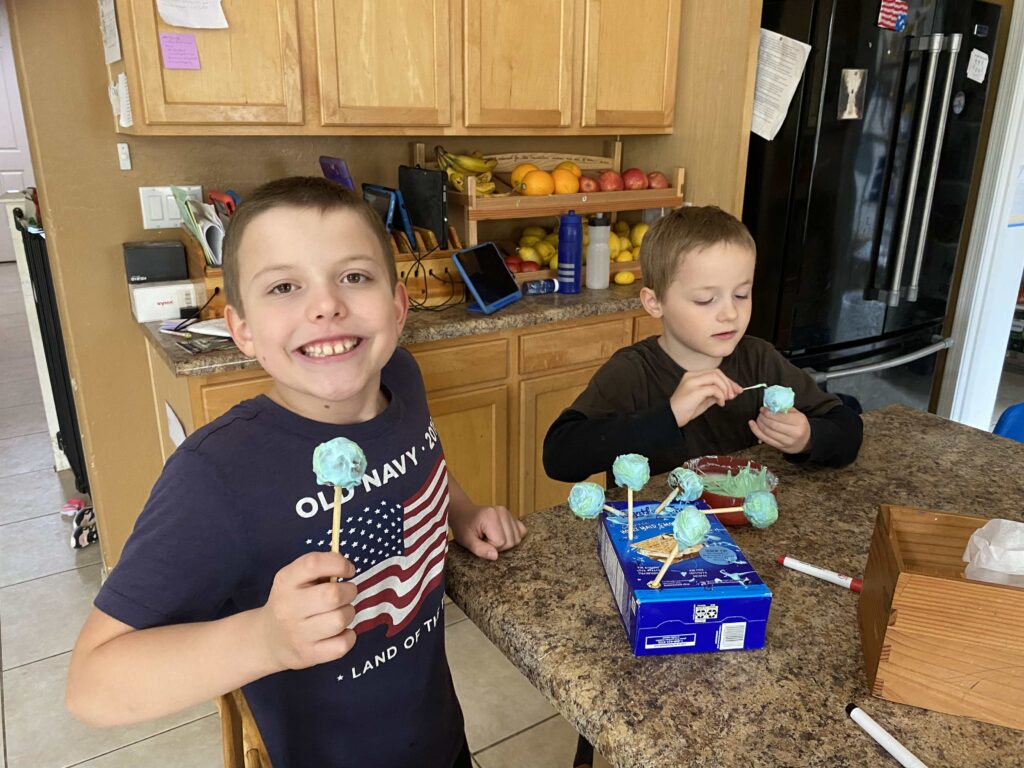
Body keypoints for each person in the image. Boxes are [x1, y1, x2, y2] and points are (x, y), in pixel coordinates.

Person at [65, 177, 526, 768]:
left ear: (397, 305)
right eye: (284, 286)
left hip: (438, 736)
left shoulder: (400, 378)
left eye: (354, 277)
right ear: (243, 330)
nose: (326, 304)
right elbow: (91, 685)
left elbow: (422, 456)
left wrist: (460, 511)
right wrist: (264, 638)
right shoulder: (217, 475)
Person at [543, 204, 862, 768]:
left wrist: (809, 434)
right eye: (705, 298)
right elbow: (561, 452)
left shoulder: (757, 359)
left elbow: (847, 426)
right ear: (655, 303)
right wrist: (666, 415)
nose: (729, 314)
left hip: (746, 560)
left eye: (742, 294)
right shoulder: (633, 371)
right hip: (651, 563)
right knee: (628, 705)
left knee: (728, 711)